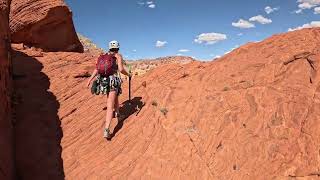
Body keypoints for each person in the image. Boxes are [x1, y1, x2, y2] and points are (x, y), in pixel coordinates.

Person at [86, 40, 131, 139]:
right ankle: (107, 129)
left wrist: (90, 79)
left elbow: (97, 69)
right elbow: (121, 69)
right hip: (113, 81)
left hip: (104, 82)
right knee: (110, 106)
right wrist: (128, 74)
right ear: (118, 48)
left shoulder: (104, 56)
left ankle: (118, 114)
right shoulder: (118, 56)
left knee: (115, 97)